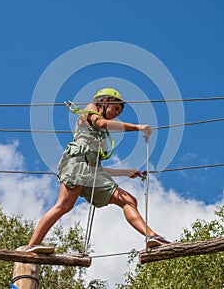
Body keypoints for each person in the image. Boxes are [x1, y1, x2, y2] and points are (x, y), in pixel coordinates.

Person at [26, 88, 170, 253]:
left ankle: (152, 236)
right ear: (104, 101)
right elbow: (101, 123)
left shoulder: (100, 134)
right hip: (77, 164)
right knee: (64, 205)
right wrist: (138, 128)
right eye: (115, 108)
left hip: (91, 171)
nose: (117, 113)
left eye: (119, 111)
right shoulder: (91, 108)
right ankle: (30, 246)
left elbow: (97, 168)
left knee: (129, 201)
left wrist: (126, 171)